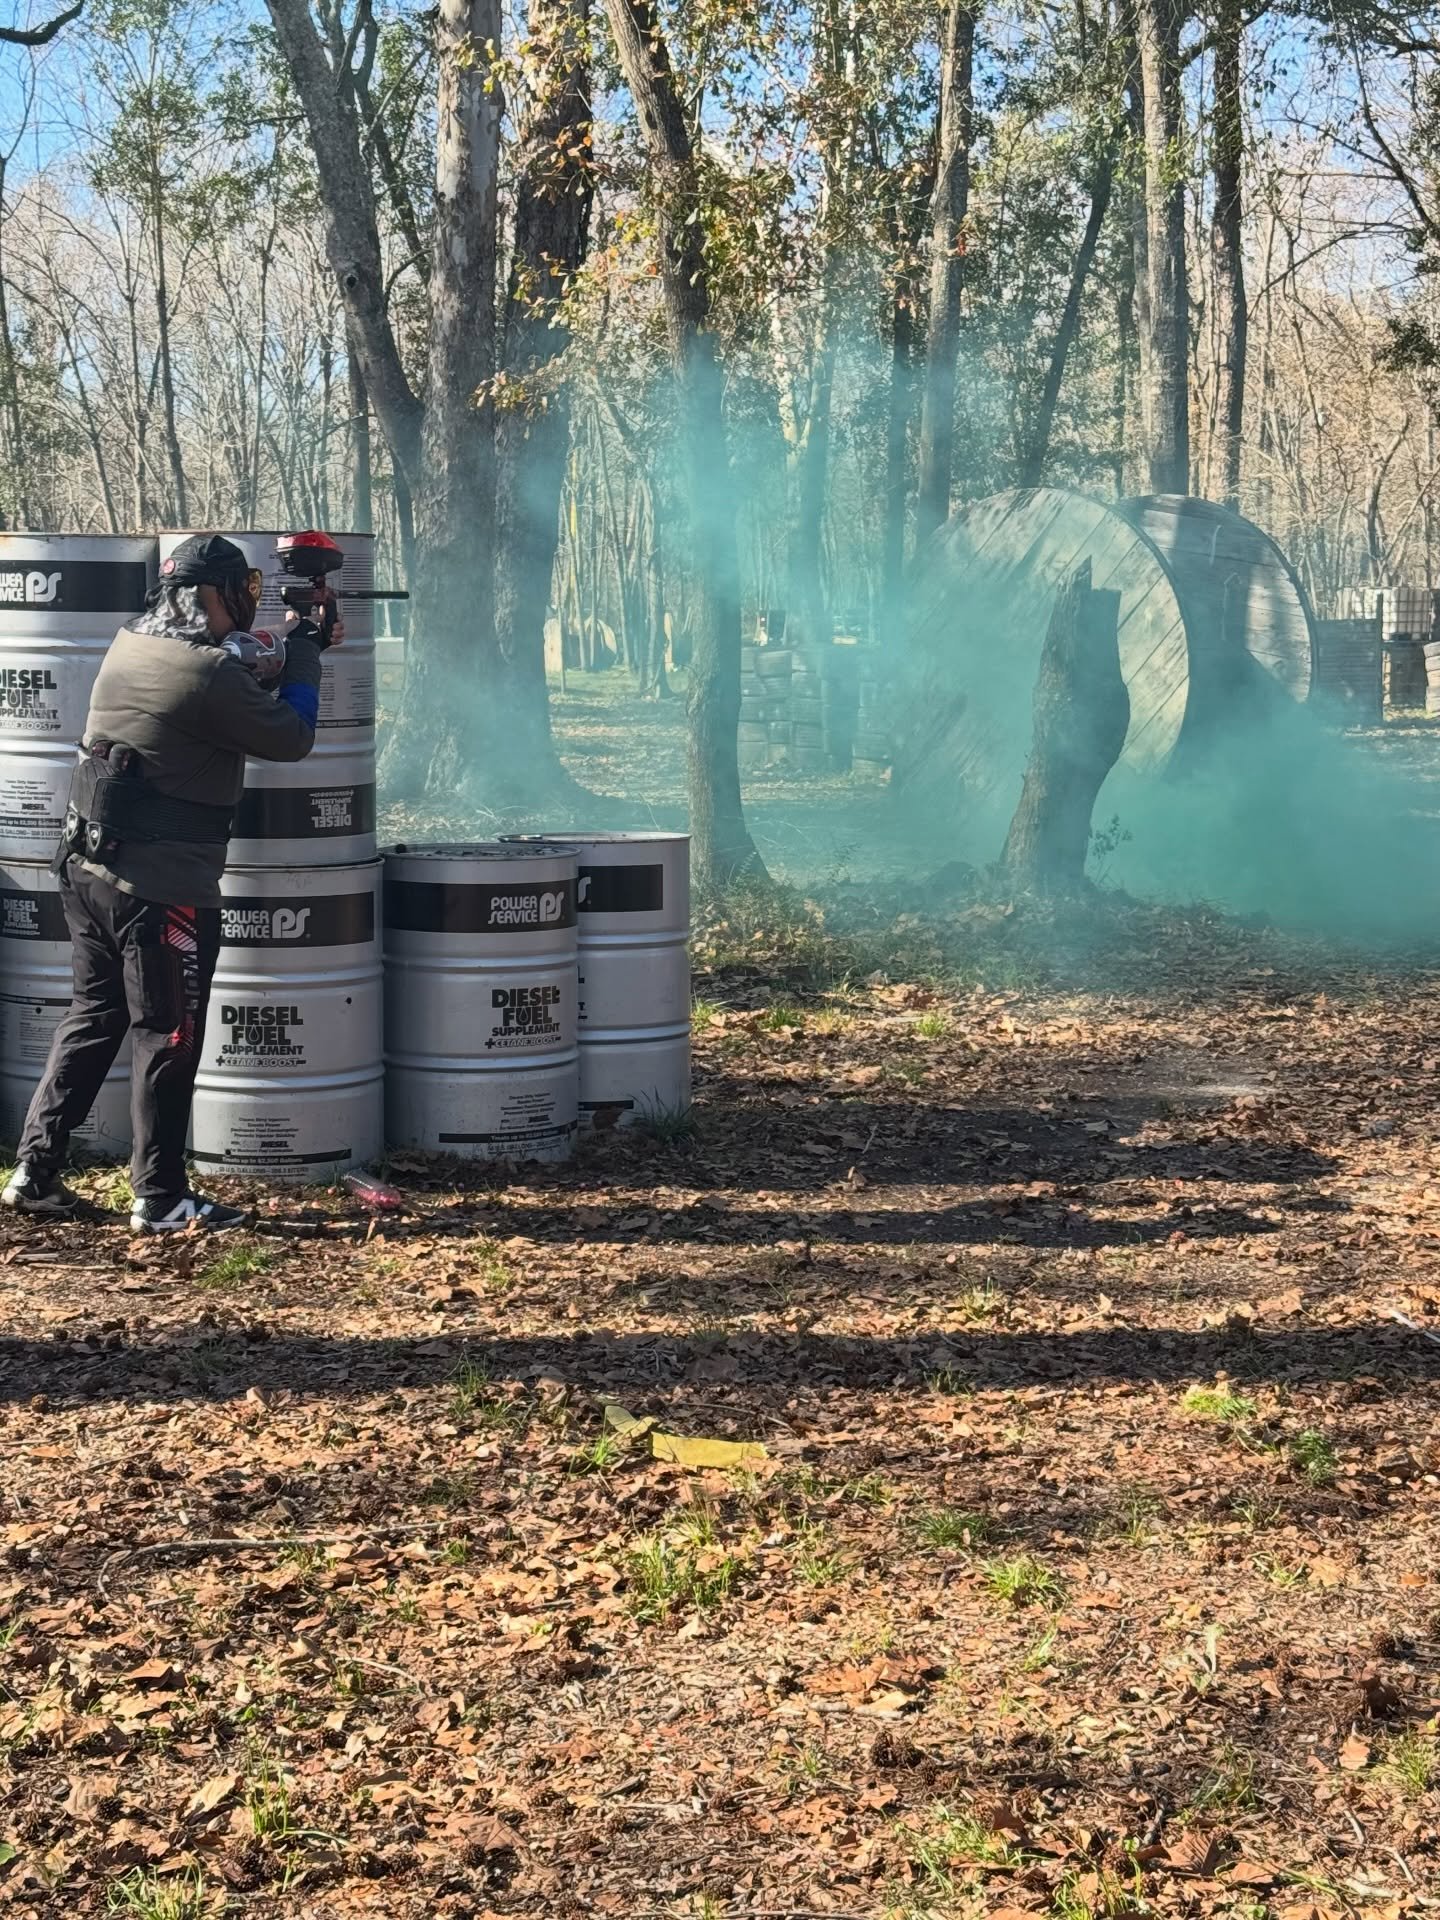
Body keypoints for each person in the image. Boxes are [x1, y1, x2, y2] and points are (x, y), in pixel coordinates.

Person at [2, 534, 338, 1232]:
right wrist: (306, 649)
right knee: (170, 1036)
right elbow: (291, 734)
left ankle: (34, 1171)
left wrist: (285, 650)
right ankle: (159, 1199)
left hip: (90, 868)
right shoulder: (210, 675)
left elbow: (212, 689)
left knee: (94, 1019)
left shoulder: (133, 642)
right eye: (239, 591)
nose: (248, 603)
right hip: (161, 889)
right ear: (212, 595)